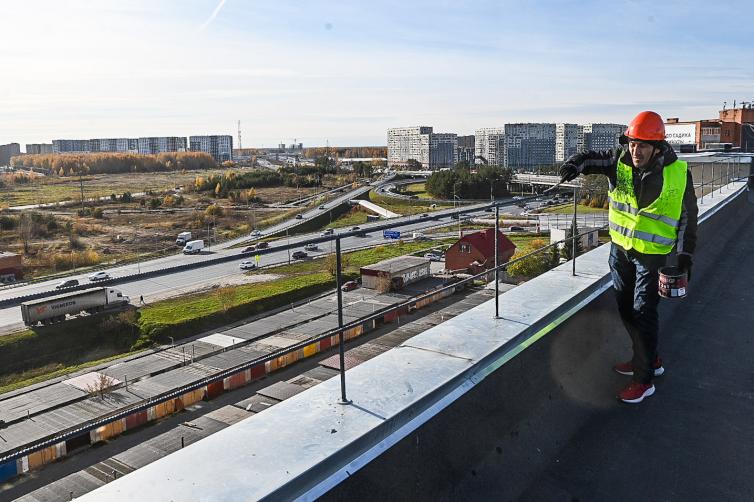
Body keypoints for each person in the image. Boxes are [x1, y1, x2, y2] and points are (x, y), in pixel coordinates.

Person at [559, 111, 698, 404]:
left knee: (643, 312)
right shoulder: (619, 161)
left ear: (657, 148)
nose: (635, 151)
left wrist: (685, 256)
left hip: (653, 256)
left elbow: (688, 217)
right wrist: (574, 164)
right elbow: (589, 159)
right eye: (632, 144)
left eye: (642, 146)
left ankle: (644, 380)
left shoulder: (678, 173)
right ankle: (648, 358)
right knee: (625, 308)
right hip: (621, 250)